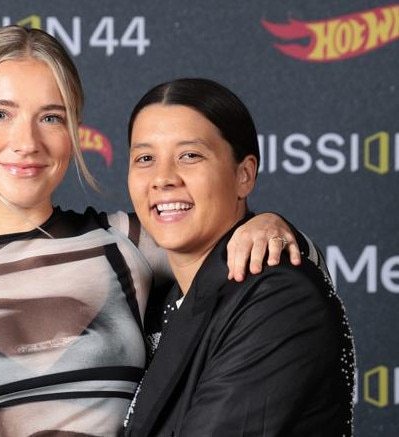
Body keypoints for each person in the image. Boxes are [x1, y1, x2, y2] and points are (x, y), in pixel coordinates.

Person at [0, 27, 300, 437]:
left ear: (75, 131)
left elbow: (277, 276)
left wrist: (267, 224)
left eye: (51, 117)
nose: (27, 142)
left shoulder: (127, 244)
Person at [122, 78, 355, 436]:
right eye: (145, 158)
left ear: (244, 175)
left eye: (190, 155)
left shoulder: (277, 297)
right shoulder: (157, 299)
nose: (163, 178)